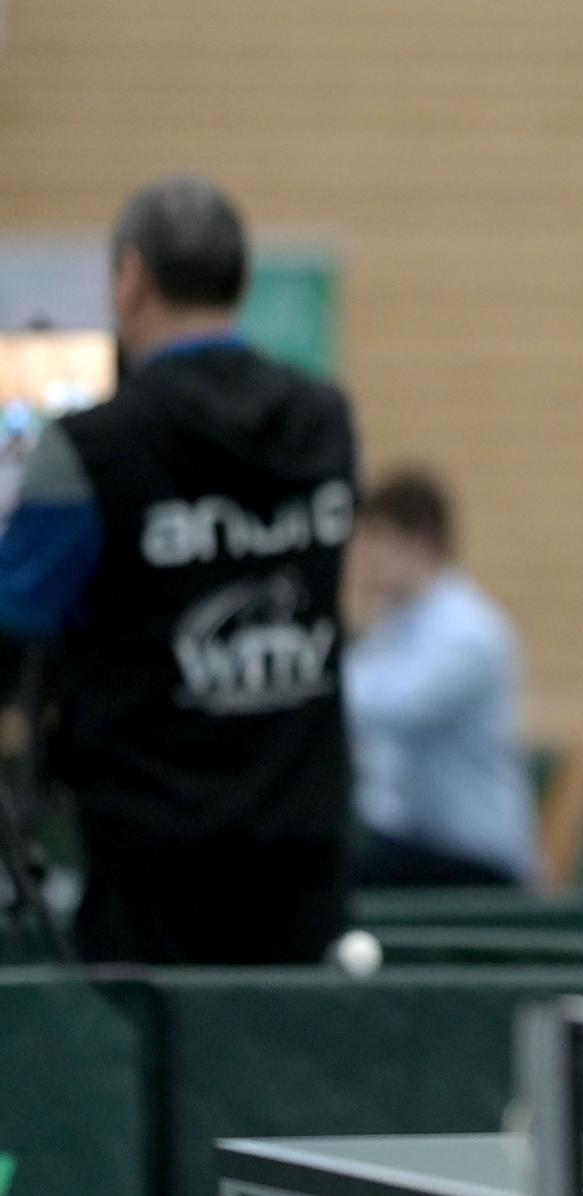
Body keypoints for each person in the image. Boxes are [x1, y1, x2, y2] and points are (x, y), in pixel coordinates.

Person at [0, 172, 360, 964]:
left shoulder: (91, 451)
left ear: (130, 279)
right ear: (239, 278)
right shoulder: (325, 422)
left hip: (153, 871)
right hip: (303, 853)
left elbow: (14, 612)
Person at [341, 468, 540, 888]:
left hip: (476, 860)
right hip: (415, 842)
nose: (362, 556)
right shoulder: (393, 624)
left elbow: (393, 706)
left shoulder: (468, 633)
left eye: (376, 538)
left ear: (421, 542)